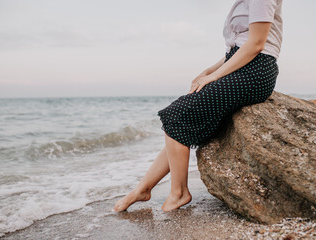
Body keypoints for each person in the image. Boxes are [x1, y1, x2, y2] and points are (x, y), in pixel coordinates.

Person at [112, 0, 283, 212]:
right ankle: (143, 189)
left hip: (255, 71)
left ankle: (179, 192)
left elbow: (256, 44)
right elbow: (239, 46)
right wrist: (209, 70)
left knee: (176, 115)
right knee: (181, 127)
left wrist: (215, 76)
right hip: (244, 65)